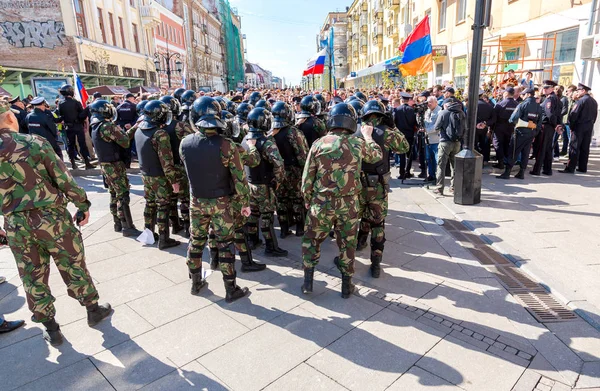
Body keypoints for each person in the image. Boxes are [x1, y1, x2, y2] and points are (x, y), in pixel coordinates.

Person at [0, 101, 111, 346]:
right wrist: (82, 205)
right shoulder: (34, 143)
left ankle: (51, 328)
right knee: (73, 264)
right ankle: (93, 309)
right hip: (52, 219)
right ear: (9, 117)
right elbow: (63, 179)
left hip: (16, 225)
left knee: (32, 275)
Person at [300, 103, 383, 298]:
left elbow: (307, 178)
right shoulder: (357, 143)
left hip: (321, 202)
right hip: (349, 205)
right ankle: (347, 286)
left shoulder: (319, 143)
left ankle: (308, 283)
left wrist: (307, 199)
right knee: (347, 244)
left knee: (311, 241)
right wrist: (369, 137)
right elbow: (377, 156)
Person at [180, 96, 252, 301]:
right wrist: (245, 203)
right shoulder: (227, 145)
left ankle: (195, 283)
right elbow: (240, 179)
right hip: (222, 202)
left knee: (196, 241)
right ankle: (231, 289)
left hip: (197, 201)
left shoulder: (185, 143)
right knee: (225, 243)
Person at [355, 100, 409, 278]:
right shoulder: (387, 132)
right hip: (377, 185)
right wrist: (393, 128)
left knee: (360, 216)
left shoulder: (356, 131)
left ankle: (359, 242)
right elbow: (405, 147)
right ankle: (376, 263)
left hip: (358, 184)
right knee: (377, 222)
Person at [89, 99, 141, 236]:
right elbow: (124, 141)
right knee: (123, 194)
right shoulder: (107, 126)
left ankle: (117, 223)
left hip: (105, 165)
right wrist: (135, 127)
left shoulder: (94, 125)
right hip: (114, 165)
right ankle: (127, 227)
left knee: (113, 193)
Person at [241, 107, 287, 256]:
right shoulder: (267, 142)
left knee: (253, 214)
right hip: (264, 185)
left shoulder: (245, 140)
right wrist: (278, 181)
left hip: (249, 183)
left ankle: (252, 240)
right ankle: (271, 247)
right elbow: (279, 164)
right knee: (266, 216)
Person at [135, 100, 181, 249]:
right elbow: (166, 161)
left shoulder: (138, 130)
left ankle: (149, 234)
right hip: (159, 177)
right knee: (163, 206)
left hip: (145, 174)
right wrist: (174, 181)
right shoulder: (160, 134)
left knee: (150, 204)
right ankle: (164, 238)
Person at [271, 101, 309, 238]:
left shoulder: (270, 133)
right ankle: (300, 228)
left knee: (281, 201)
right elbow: (302, 154)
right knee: (297, 199)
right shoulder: (293, 132)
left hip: (277, 172)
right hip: (294, 171)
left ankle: (283, 229)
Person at [159, 95, 194, 238]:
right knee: (185, 198)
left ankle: (175, 224)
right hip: (179, 167)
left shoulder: (156, 126)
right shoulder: (180, 125)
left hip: (163, 168)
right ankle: (187, 227)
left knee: (171, 199)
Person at [499, 88, 543, 180]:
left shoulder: (522, 104)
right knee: (526, 153)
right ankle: (521, 172)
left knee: (513, 151)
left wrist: (516, 123)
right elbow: (539, 124)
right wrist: (534, 133)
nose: (522, 96)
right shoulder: (538, 107)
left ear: (528, 94)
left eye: (523, 94)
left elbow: (513, 118)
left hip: (520, 132)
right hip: (531, 133)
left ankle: (507, 173)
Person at [560, 83, 598, 174]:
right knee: (585, 148)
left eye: (578, 90)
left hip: (579, 127)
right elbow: (595, 115)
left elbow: (573, 115)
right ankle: (582, 167)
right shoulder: (594, 101)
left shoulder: (580, 101)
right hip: (589, 127)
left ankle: (570, 167)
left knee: (574, 147)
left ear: (583, 91)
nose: (577, 92)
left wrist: (571, 126)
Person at [57, 85, 96, 170]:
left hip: (68, 127)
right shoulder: (76, 102)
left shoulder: (61, 103)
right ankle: (87, 162)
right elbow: (81, 116)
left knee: (70, 145)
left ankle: (73, 164)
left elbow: (61, 116)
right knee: (82, 144)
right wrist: (87, 109)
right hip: (78, 126)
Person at [432, 98, 466, 195]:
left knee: (441, 166)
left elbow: (436, 127)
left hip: (444, 142)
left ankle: (439, 188)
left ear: (446, 105)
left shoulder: (443, 113)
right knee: (454, 166)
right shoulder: (461, 112)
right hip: (457, 142)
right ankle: (454, 187)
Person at [531, 80, 562, 176]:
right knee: (548, 149)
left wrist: (555, 125)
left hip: (546, 126)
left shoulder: (550, 99)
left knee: (541, 148)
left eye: (547, 88)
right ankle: (547, 169)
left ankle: (537, 170)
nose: (544, 89)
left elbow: (550, 114)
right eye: (543, 88)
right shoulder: (554, 98)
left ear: (552, 88)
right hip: (550, 126)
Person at [491, 87, 518, 169]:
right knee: (508, 144)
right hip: (511, 127)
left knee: (498, 144)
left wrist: (491, 129)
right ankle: (507, 162)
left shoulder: (500, 104)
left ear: (506, 93)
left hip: (500, 127)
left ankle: (501, 162)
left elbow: (494, 117)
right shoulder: (517, 104)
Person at [393, 92, 417, 179]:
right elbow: (415, 123)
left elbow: (393, 122)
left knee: (402, 155)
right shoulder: (412, 110)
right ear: (408, 100)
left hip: (400, 135)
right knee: (409, 154)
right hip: (410, 134)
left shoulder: (397, 110)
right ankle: (407, 172)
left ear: (402, 100)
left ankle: (402, 173)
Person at [423, 96, 442, 182]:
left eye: (430, 102)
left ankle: (438, 177)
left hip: (436, 139)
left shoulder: (440, 112)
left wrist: (427, 130)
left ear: (436, 102)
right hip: (427, 139)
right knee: (428, 158)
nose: (428, 104)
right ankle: (431, 175)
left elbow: (437, 127)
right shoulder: (427, 111)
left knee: (437, 159)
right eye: (428, 102)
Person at [474, 90, 495, 163]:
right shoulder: (489, 105)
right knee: (485, 144)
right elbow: (493, 119)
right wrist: (485, 123)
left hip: (474, 128)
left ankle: (476, 160)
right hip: (485, 128)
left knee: (475, 144)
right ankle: (484, 159)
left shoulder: (472, 105)